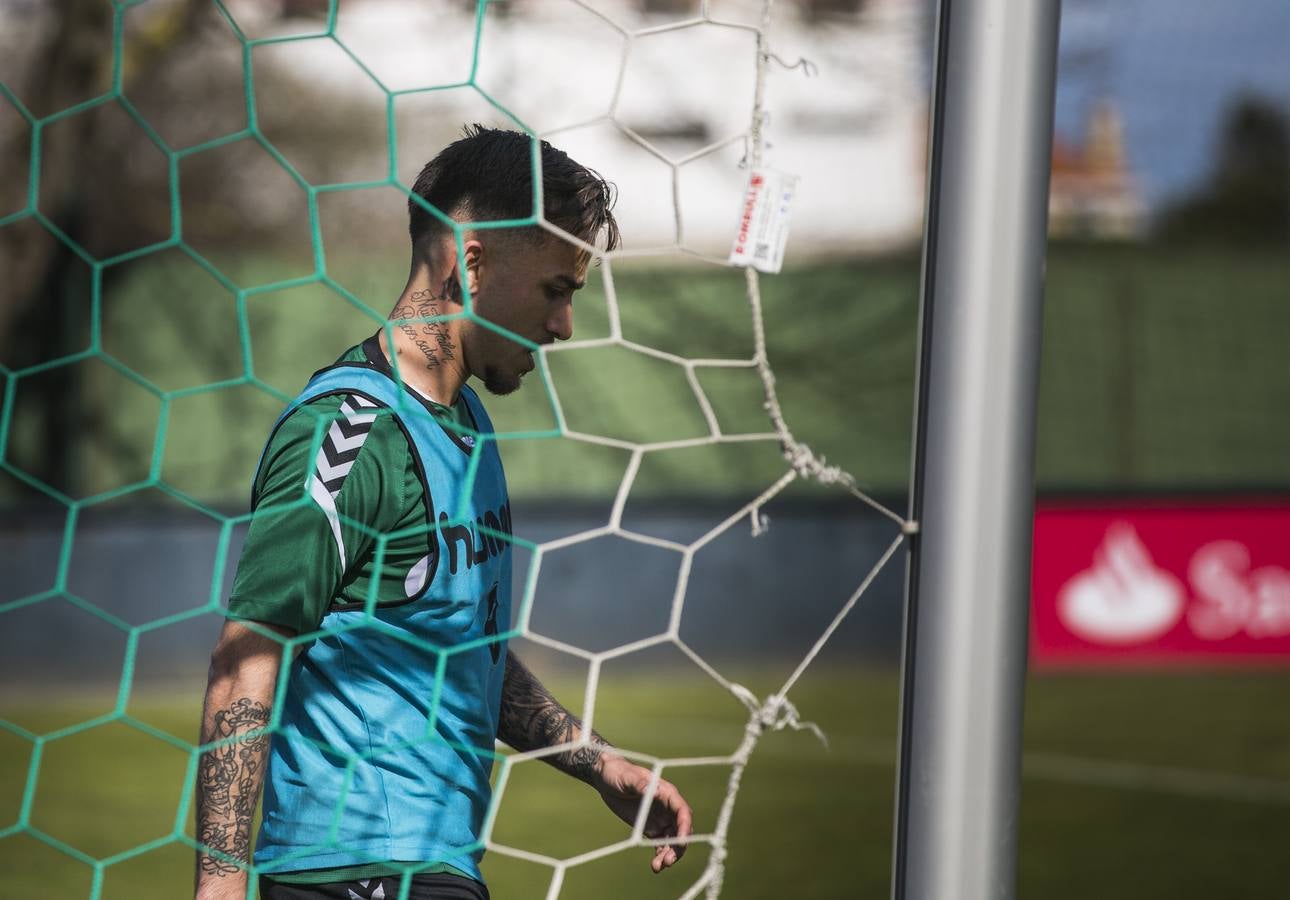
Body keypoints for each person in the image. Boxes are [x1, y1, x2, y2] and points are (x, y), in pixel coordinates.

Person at [194, 126, 693, 900]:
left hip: (435, 869)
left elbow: (457, 651)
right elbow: (248, 655)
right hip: (349, 872)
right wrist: (221, 884)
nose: (563, 326)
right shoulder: (349, 431)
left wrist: (598, 763)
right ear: (471, 260)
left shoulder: (467, 426)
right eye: (556, 290)